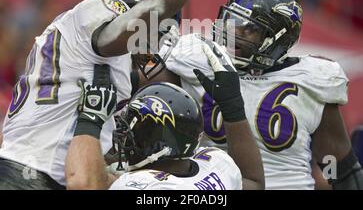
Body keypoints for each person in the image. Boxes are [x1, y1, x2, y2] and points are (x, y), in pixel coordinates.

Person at [0, 0, 257, 190]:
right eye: (151, 36)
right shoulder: (94, 20)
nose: (149, 51)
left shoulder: (90, 63)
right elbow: (154, 8)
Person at [139, 0, 363, 190]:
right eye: (233, 22)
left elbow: (335, 163)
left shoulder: (312, 79)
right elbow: (138, 88)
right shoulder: (197, 62)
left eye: (250, 29)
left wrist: (331, 177)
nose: (235, 33)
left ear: (280, 36)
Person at [65, 45, 265, 190]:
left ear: (157, 143)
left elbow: (84, 182)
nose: (121, 137)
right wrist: (233, 107)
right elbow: (254, 182)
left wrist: (90, 119)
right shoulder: (215, 163)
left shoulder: (145, 187)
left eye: (130, 130)